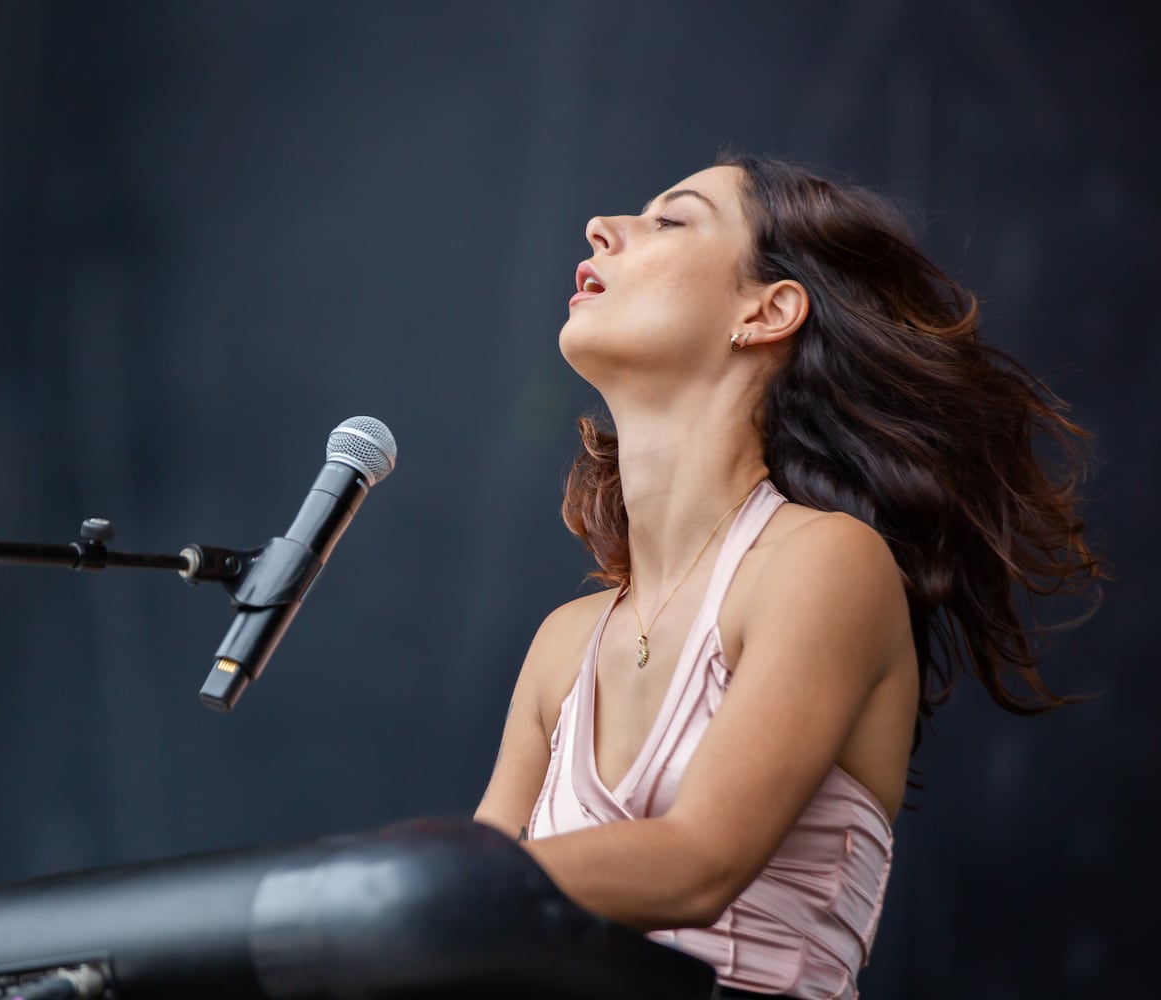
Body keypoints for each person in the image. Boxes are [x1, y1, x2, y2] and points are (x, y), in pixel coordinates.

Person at [472, 153, 1101, 999]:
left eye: (671, 218)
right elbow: (462, 929)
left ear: (767, 312)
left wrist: (417, 889)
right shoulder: (563, 645)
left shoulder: (824, 562)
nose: (601, 228)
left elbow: (699, 861)